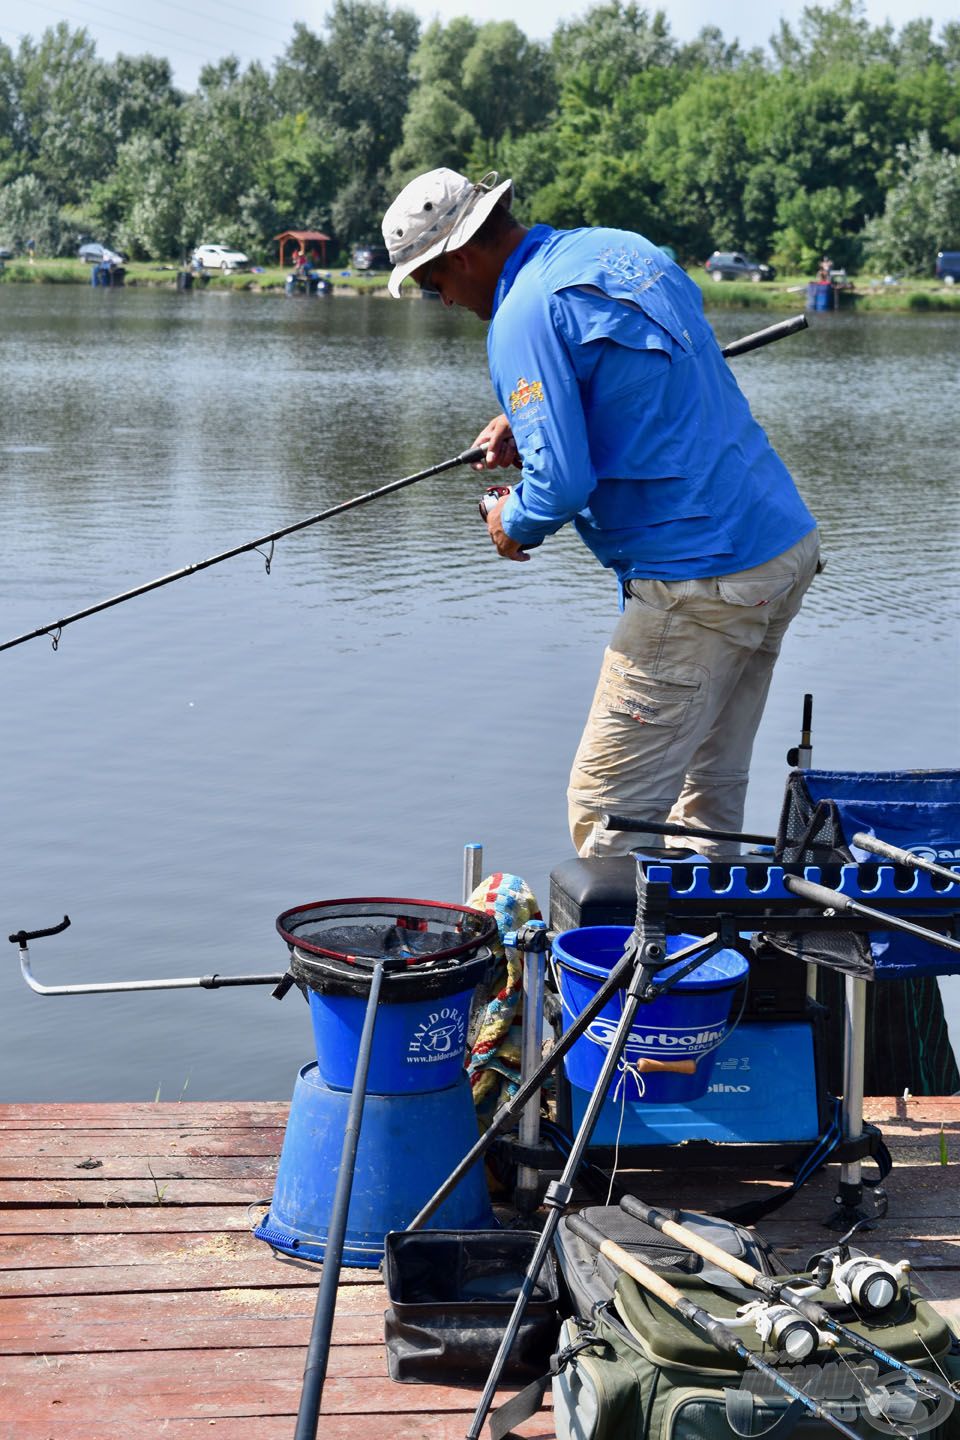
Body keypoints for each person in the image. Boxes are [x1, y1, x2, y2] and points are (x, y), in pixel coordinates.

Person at [382, 168, 820, 859]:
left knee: (607, 817)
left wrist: (508, 521)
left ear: (460, 258)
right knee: (704, 799)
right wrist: (530, 413)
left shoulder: (520, 314)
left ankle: (628, 963)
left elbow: (558, 486)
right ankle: (712, 958)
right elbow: (645, 374)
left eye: (434, 286)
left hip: (699, 581)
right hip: (776, 546)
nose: (444, 301)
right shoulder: (621, 251)